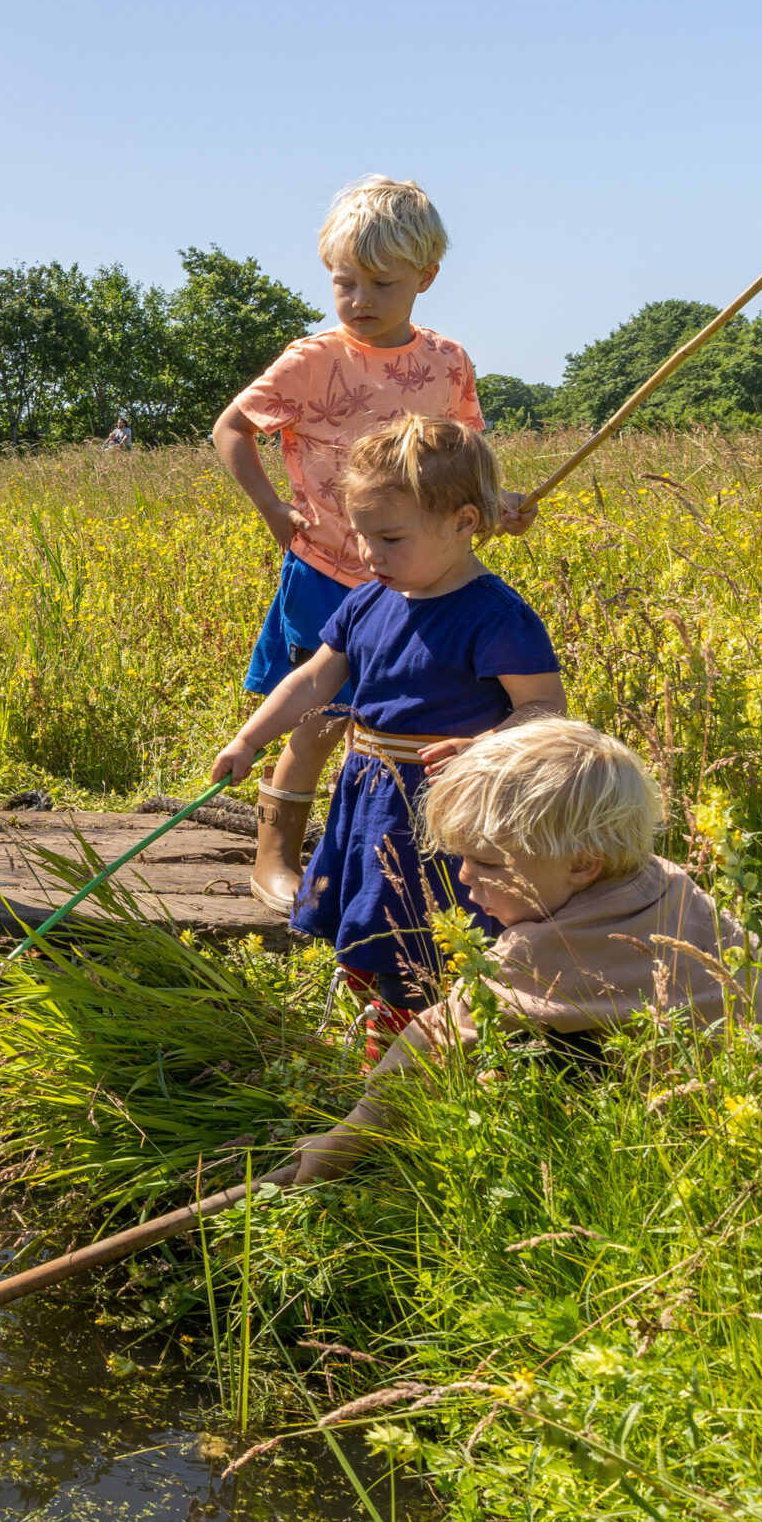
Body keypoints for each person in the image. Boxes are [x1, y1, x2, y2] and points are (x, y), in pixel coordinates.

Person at [284, 717, 762, 1183]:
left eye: (486, 865)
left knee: (496, 1047)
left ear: (583, 864)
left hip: (712, 1148)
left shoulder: (556, 947)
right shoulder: (664, 885)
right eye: (461, 860)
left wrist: (345, 1141)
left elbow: (433, 1041)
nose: (464, 878)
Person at [212, 176, 535, 915]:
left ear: (426, 278)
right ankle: (274, 855)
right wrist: (273, 511)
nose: (359, 299)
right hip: (330, 567)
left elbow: (467, 453)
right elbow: (232, 429)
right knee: (323, 718)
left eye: (381, 283)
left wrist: (496, 505)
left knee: (406, 717)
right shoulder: (313, 359)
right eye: (344, 281)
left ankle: (418, 862)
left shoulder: (448, 361)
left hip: (422, 576)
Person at [210, 415, 565, 1057]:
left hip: (442, 808)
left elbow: (543, 712)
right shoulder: (369, 599)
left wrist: (484, 750)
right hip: (368, 796)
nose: (370, 554)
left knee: (427, 933)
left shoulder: (496, 616)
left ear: (463, 523)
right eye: (362, 534)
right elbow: (312, 682)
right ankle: (373, 1012)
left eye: (391, 537)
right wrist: (249, 740)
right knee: (368, 913)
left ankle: (414, 1061)